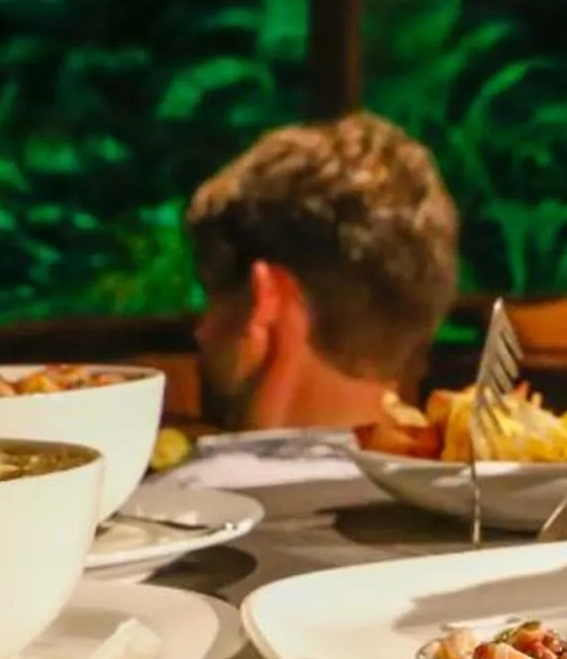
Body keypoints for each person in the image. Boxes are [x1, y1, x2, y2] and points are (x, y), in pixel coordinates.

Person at [185, 111, 462, 431]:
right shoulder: (483, 476)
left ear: (267, 300)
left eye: (213, 299)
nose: (202, 331)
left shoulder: (159, 481)